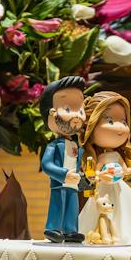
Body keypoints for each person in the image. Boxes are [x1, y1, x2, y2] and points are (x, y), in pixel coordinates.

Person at [77, 91, 131, 247]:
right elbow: (94, 174)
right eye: (109, 120)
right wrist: (101, 175)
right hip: (103, 191)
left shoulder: (117, 156)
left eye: (123, 121)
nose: (120, 128)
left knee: (124, 213)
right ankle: (100, 235)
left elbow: (126, 171)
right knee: (100, 214)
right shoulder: (99, 157)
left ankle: (121, 235)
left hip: (120, 189)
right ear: (90, 126)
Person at [38, 76, 89, 242]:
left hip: (73, 183)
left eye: (80, 110)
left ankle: (70, 230)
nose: (77, 116)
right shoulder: (53, 146)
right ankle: (52, 228)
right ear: (51, 113)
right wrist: (63, 174)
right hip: (60, 182)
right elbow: (46, 165)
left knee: (72, 207)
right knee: (58, 205)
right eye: (68, 109)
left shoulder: (77, 146)